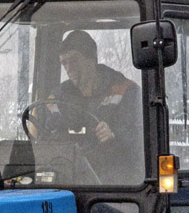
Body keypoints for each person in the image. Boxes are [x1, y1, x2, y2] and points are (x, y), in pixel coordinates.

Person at [53, 29, 143, 183]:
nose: (69, 68)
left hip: (114, 186)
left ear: (91, 59)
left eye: (74, 60)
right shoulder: (58, 97)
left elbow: (141, 141)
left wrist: (113, 136)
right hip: (69, 179)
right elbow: (46, 134)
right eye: (64, 63)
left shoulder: (125, 91)